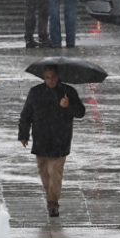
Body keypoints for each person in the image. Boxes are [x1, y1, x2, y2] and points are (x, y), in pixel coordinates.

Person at [18, 65, 86, 217]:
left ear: (58, 76)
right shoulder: (36, 92)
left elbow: (80, 112)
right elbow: (26, 114)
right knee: (45, 174)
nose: (51, 80)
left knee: (55, 173)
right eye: (47, 77)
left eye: (53, 77)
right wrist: (23, 134)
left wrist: (68, 106)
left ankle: (52, 204)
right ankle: (51, 197)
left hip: (60, 141)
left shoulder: (68, 92)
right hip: (41, 140)